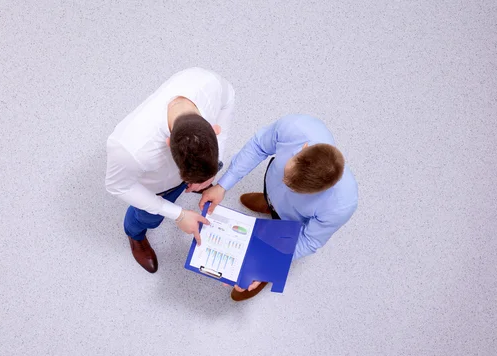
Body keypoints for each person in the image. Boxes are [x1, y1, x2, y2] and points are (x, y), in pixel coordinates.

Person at [200, 114, 358, 301]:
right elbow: (258, 146)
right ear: (303, 148)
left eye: (292, 188)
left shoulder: (341, 205)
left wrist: (265, 266)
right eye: (285, 174)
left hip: (291, 223)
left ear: (323, 190)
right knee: (272, 195)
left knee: (254, 271)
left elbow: (309, 241)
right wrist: (222, 185)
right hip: (272, 192)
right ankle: (269, 203)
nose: (284, 183)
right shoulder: (297, 127)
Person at [106, 67, 235, 273]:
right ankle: (135, 234)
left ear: (214, 129)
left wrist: (216, 163)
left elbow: (229, 99)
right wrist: (178, 214)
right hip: (156, 188)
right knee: (148, 218)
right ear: (167, 144)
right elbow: (117, 186)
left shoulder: (208, 82)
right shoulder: (129, 148)